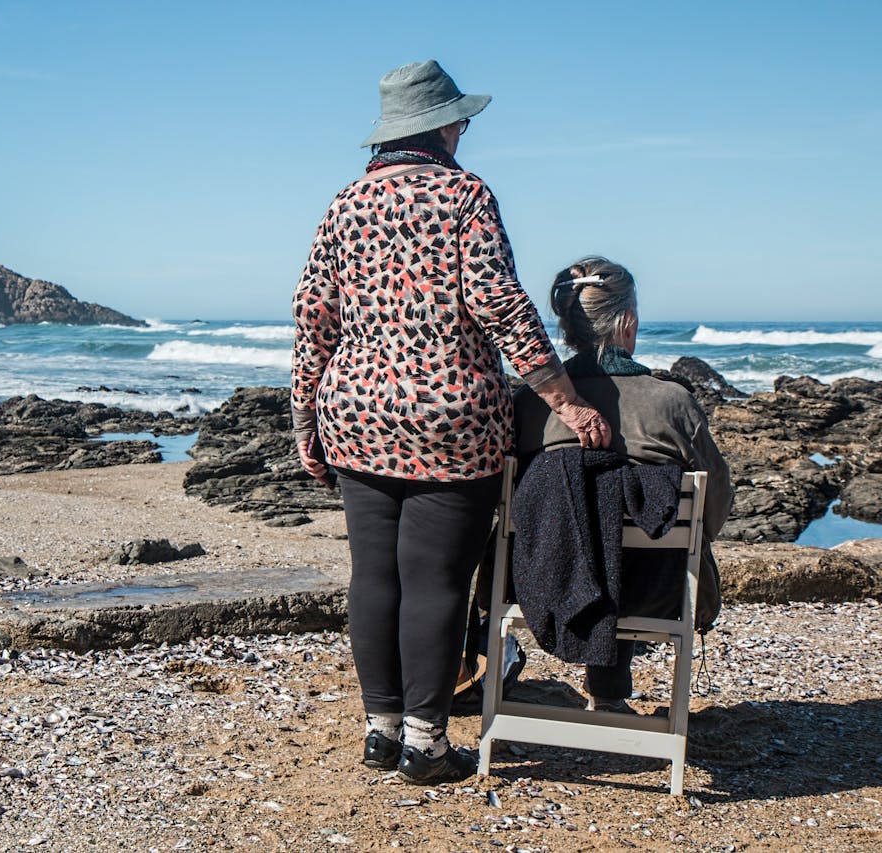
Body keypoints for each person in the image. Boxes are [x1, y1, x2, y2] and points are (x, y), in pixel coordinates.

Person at [291, 60, 612, 783]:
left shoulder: (345, 203)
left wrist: (304, 418)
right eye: (459, 118)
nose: (464, 128)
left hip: (357, 411)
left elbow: (313, 316)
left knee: (373, 575)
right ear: (440, 125)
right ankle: (425, 743)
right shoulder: (465, 195)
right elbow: (500, 302)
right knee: (435, 580)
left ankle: (380, 730)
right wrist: (564, 397)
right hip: (452, 418)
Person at [511, 256, 733, 713]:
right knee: (632, 541)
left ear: (568, 326)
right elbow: (715, 504)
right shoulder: (671, 402)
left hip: (541, 583)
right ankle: (610, 696)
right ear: (627, 321)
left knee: (582, 526)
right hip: (655, 589)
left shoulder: (530, 403)